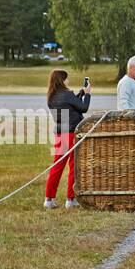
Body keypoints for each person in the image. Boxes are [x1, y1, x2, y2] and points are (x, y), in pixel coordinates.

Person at [45, 69, 90, 209]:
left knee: (57, 166)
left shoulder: (51, 97)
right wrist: (87, 95)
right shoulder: (67, 94)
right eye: (66, 79)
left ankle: (48, 199)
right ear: (61, 80)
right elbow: (83, 107)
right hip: (71, 133)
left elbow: (71, 104)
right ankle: (70, 200)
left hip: (59, 134)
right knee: (73, 166)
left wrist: (81, 93)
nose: (68, 81)